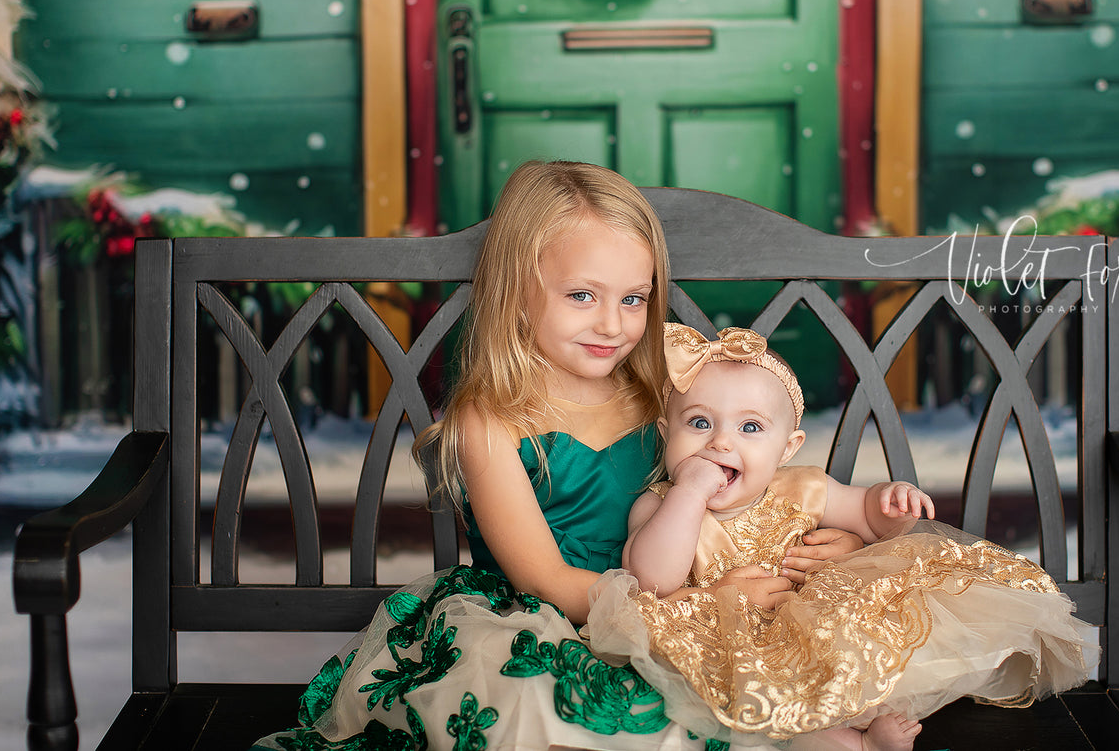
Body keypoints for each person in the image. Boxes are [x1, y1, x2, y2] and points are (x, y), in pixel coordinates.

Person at [252, 162, 847, 751]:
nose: (613, 324)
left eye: (634, 299)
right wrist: (692, 610)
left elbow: (748, 493)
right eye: (582, 295)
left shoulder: (664, 400)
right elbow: (546, 580)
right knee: (533, 702)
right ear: (517, 292)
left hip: (677, 609)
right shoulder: (488, 423)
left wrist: (830, 540)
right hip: (545, 621)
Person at [586, 323, 1100, 751]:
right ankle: (854, 744)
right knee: (766, 717)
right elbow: (651, 579)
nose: (721, 442)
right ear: (665, 432)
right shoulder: (660, 505)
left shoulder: (802, 486)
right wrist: (690, 493)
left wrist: (888, 504)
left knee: (890, 631)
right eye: (698, 423)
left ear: (787, 448)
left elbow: (867, 518)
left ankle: (861, 719)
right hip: (729, 650)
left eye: (750, 428)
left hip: (819, 632)